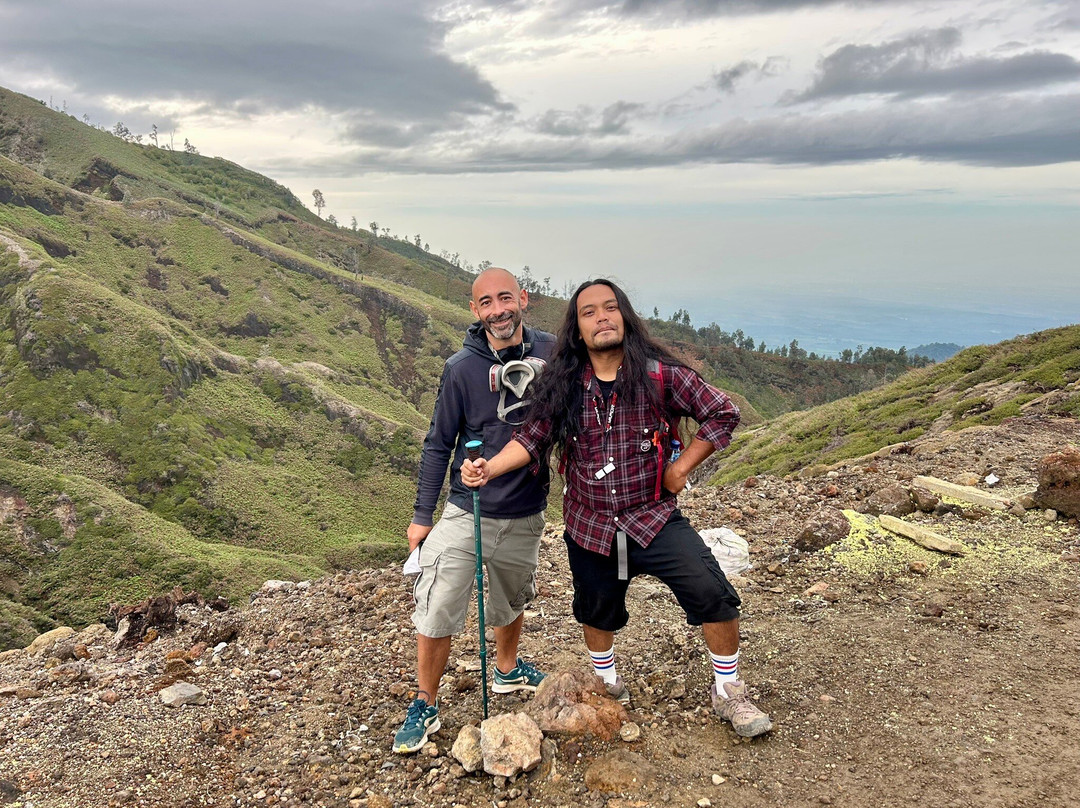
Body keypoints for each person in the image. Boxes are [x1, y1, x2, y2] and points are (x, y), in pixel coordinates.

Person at [462, 278, 773, 737]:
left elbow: (722, 412)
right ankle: (606, 681)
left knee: (713, 592)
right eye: (589, 312)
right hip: (589, 523)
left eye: (610, 308)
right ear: (577, 329)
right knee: (595, 609)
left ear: (624, 316)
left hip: (653, 516)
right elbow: (530, 439)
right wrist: (489, 468)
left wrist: (680, 468)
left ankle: (729, 691)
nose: (602, 318)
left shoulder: (660, 375)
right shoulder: (564, 383)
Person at [392, 267, 556, 754]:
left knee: (511, 597)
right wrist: (422, 516)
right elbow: (438, 443)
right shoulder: (460, 368)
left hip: (527, 509)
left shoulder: (553, 353)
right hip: (468, 509)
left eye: (505, 298)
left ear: (523, 298)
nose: (498, 310)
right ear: (474, 310)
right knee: (439, 602)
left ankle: (506, 669)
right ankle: (425, 701)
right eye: (486, 302)